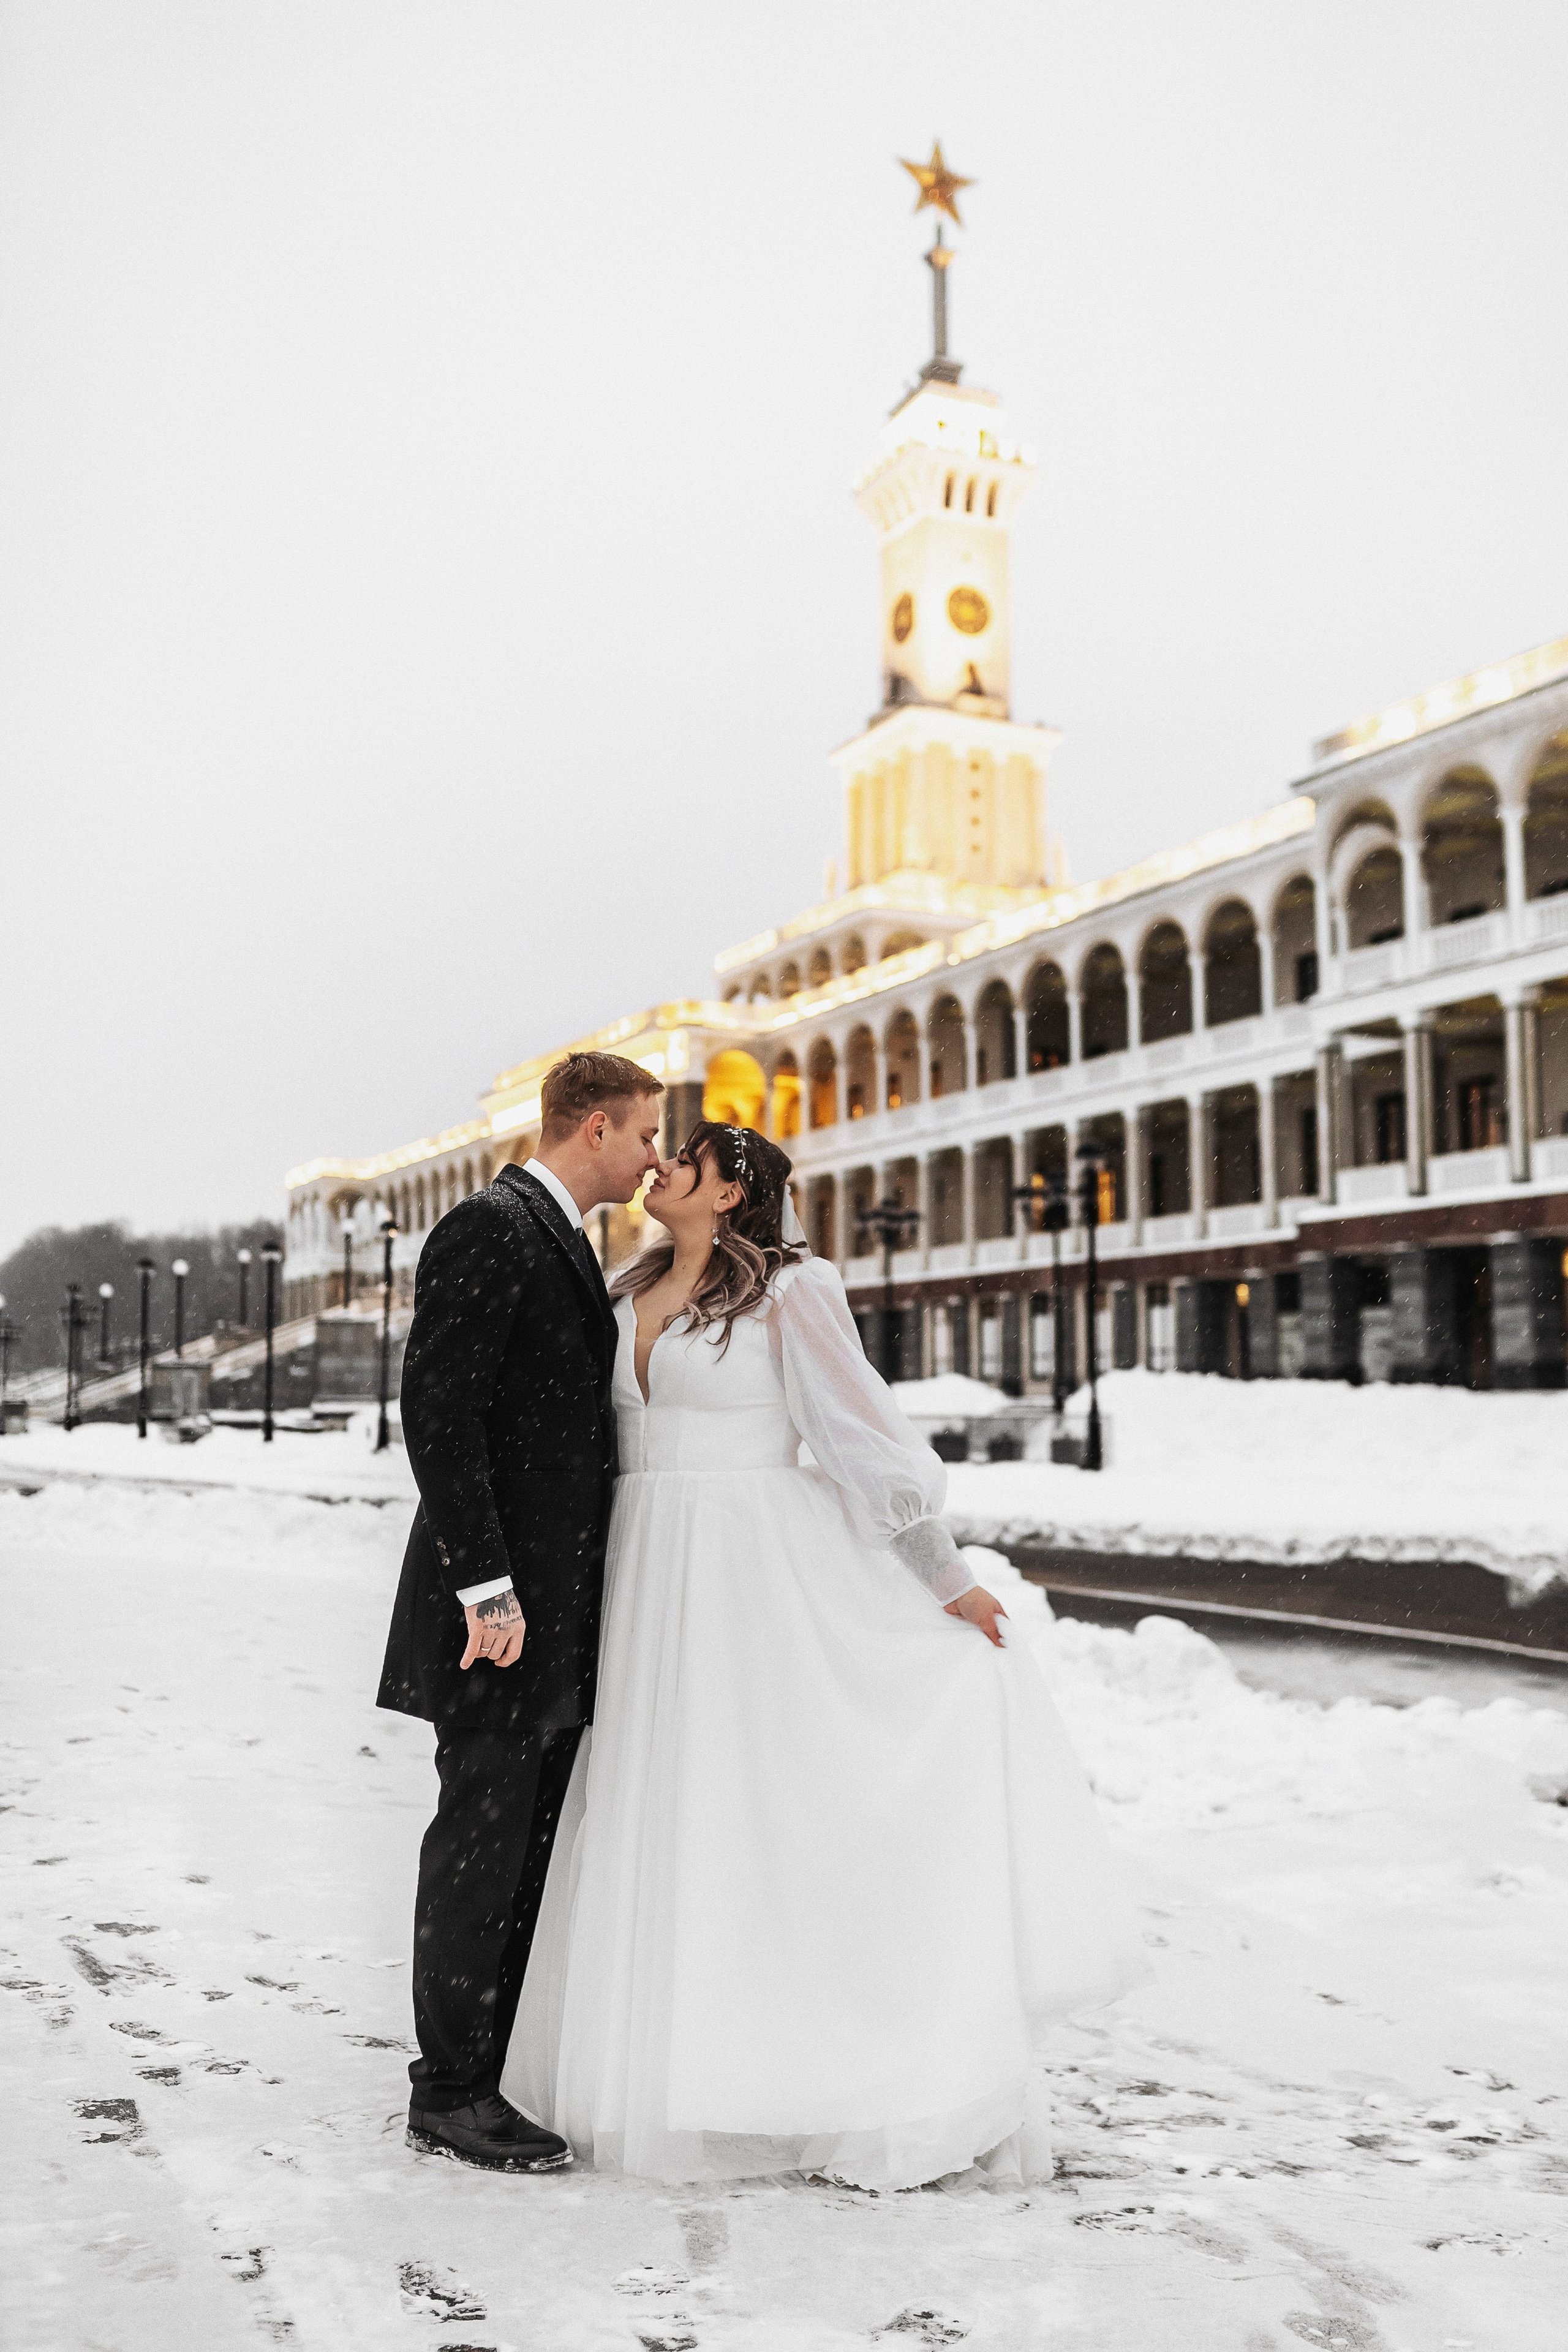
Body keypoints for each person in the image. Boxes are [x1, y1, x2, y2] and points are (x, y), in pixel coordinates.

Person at [500, 1120, 1149, 2189]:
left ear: (729, 1192)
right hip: (642, 1570)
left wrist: (942, 1573)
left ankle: (841, 2062)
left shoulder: (792, 1293)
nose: (660, 1165)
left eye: (686, 1158)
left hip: (753, 1575)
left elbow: (855, 1435)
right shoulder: (624, 1285)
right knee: (659, 1810)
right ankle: (678, 2063)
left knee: (762, 1813)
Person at [377, 1050, 664, 2171]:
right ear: (593, 1128)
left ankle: (477, 2076)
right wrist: (485, 1586)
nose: (654, 1155)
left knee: (518, 1849)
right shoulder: (491, 1227)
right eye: (645, 1133)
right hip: (497, 1616)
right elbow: (438, 1416)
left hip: (545, 1613)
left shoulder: (565, 1238)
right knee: (480, 1850)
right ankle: (447, 2092)